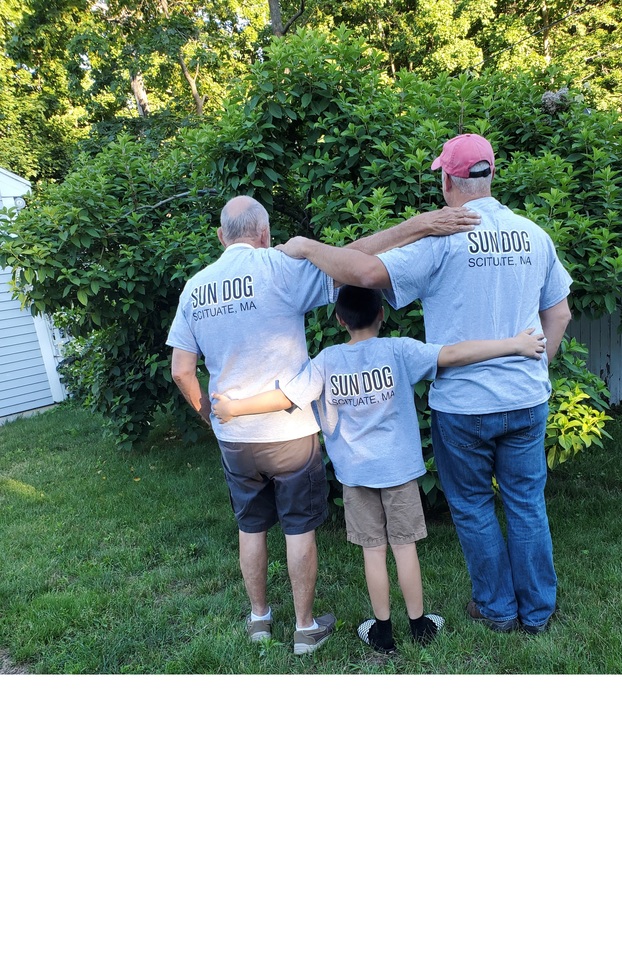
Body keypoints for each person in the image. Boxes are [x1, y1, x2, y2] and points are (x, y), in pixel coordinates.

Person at [274, 134, 573, 635]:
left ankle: (498, 610)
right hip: (525, 397)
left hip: (462, 404)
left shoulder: (442, 241)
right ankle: (537, 611)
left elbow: (365, 271)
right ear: (491, 175)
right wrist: (537, 372)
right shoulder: (534, 235)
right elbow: (559, 312)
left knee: (475, 506)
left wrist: (307, 247)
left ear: (447, 180)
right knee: (526, 503)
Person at [167, 195, 481, 654]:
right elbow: (354, 259)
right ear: (265, 235)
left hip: (235, 435)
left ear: (221, 237)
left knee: (250, 528)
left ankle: (259, 619)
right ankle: (304, 627)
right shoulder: (277, 267)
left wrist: (212, 416)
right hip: (290, 433)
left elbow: (181, 370)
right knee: (298, 528)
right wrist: (420, 225)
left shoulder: (195, 287)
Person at [211, 284, 547, 652]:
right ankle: (419, 626)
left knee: (374, 552)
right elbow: (454, 354)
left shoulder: (326, 360)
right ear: (382, 315)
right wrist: (513, 344)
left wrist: (233, 409)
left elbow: (285, 397)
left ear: (340, 320)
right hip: (399, 473)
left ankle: (382, 632)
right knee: (405, 549)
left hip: (356, 477)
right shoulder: (399, 349)